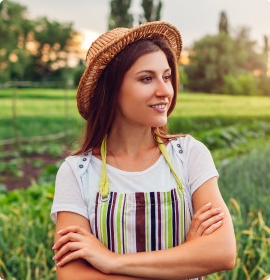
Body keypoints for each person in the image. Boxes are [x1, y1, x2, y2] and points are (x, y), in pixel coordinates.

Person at [51, 21, 236, 280]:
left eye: (167, 76)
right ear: (112, 90)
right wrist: (184, 260)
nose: (164, 91)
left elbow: (223, 252)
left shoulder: (190, 155)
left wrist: (111, 261)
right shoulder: (77, 173)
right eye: (147, 78)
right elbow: (72, 276)